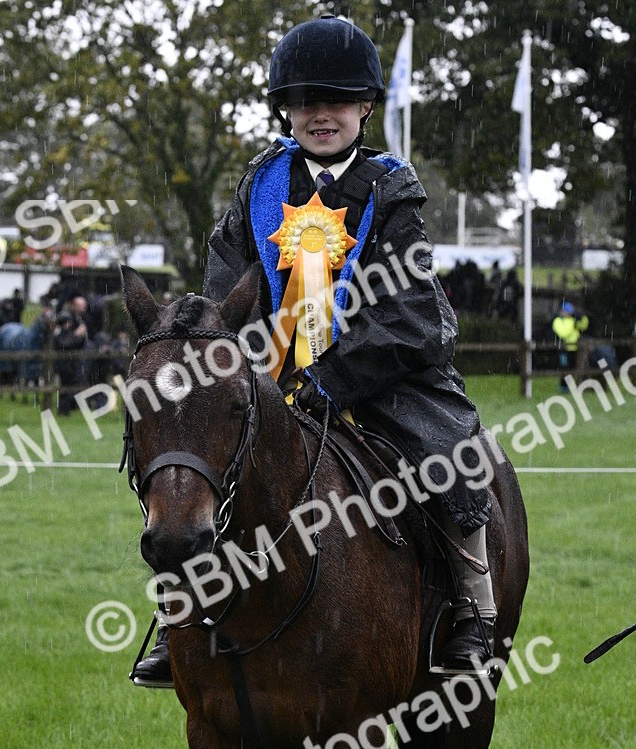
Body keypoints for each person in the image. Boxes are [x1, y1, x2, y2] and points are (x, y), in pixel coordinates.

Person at [132, 16, 499, 688]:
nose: (320, 115)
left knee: (449, 450)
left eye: (337, 101)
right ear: (285, 109)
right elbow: (228, 290)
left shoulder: (391, 190)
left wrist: (330, 377)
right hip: (268, 375)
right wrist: (249, 363)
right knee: (190, 453)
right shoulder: (260, 186)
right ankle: (180, 608)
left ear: (365, 107)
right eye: (305, 103)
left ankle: (475, 608)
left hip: (381, 375)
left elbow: (412, 315)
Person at [552, 301, 589, 391]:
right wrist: (572, 322)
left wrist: (582, 318)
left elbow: (584, 326)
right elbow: (563, 333)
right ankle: (564, 387)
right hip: (563, 349)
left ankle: (571, 386)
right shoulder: (558, 321)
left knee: (573, 367)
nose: (568, 314)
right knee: (564, 367)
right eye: (566, 311)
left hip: (574, 348)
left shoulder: (573, 320)